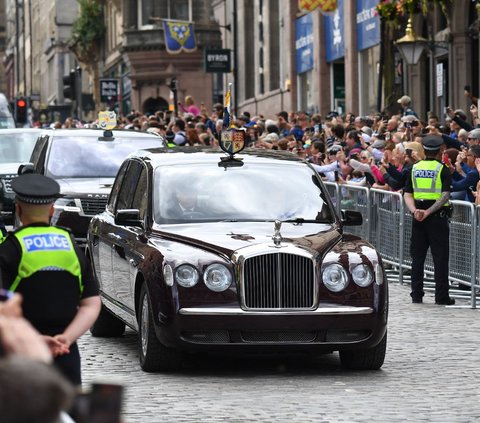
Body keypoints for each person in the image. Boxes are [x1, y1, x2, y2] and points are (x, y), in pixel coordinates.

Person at [0, 174, 101, 385]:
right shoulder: (71, 244)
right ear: (52, 211)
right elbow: (91, 303)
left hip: (20, 355)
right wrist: (67, 339)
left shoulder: (10, 249)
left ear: (18, 210)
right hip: (65, 354)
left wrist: (35, 340)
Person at [403, 134, 455, 305]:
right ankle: (441, 296)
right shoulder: (442, 169)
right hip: (436, 217)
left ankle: (416, 294)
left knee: (417, 257)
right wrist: (428, 212)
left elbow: (407, 194)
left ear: (424, 150)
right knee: (440, 257)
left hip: (418, 216)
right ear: (440, 150)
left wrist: (415, 211)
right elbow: (445, 195)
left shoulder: (415, 167)